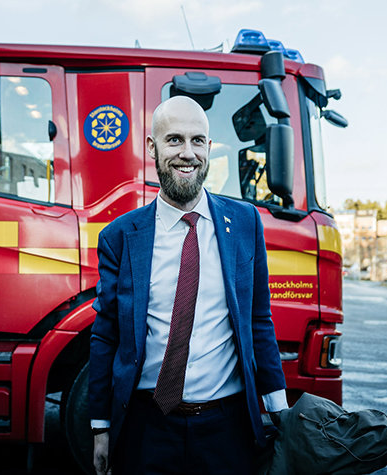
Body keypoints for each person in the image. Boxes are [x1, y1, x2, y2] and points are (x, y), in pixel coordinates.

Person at [88, 95, 288, 475]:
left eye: (198, 141)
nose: (187, 153)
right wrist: (100, 427)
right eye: (174, 140)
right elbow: (106, 334)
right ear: (152, 147)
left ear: (210, 148)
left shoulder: (245, 224)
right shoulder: (119, 236)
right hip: (146, 429)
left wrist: (280, 410)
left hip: (228, 430)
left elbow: (259, 319)